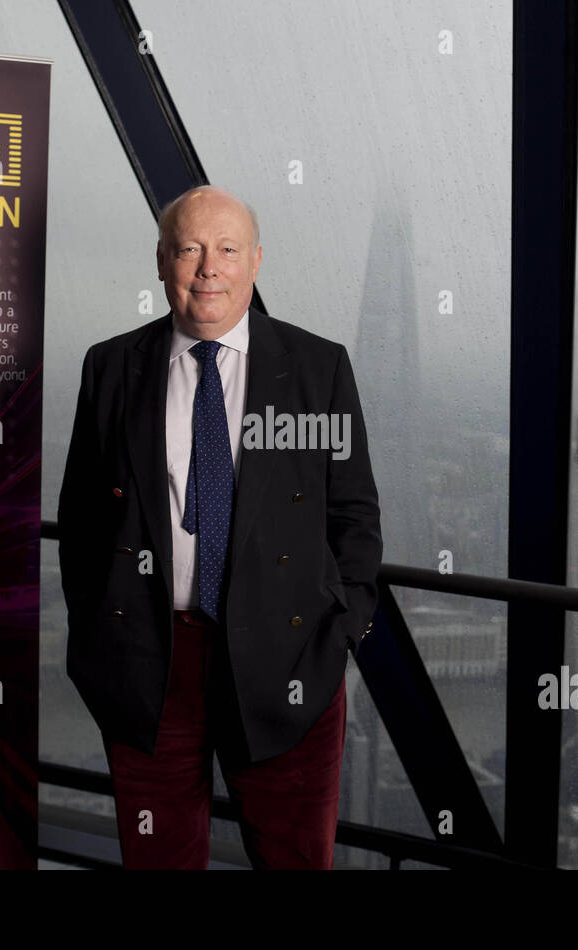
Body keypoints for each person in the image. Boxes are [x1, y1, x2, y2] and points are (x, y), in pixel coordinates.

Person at [58, 185, 382, 869]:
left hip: (286, 665)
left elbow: (353, 512)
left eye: (227, 249)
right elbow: (84, 519)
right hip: (149, 667)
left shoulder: (317, 369)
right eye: (190, 249)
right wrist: (97, 633)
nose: (209, 268)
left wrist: (342, 629)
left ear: (255, 261)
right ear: (161, 262)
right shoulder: (112, 366)